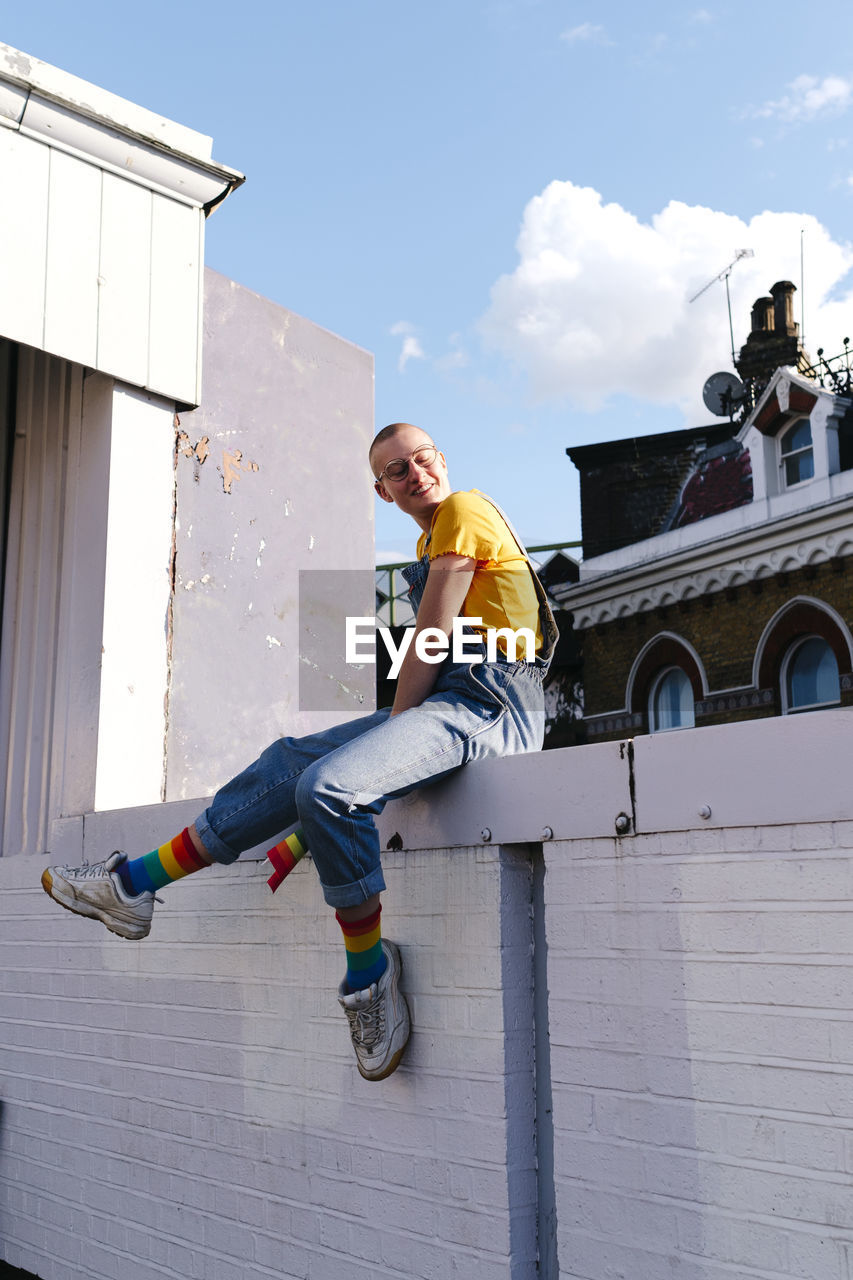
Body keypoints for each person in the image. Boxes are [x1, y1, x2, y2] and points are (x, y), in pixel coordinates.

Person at [42, 423, 557, 1082]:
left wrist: (384, 744)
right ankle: (131, 886)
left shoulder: (465, 510)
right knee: (291, 763)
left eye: (422, 459)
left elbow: (429, 638)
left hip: (494, 703)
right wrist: (325, 816)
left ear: (442, 460)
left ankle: (369, 977)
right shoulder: (427, 541)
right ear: (382, 491)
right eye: (397, 471)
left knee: (328, 787)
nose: (415, 473)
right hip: (449, 700)